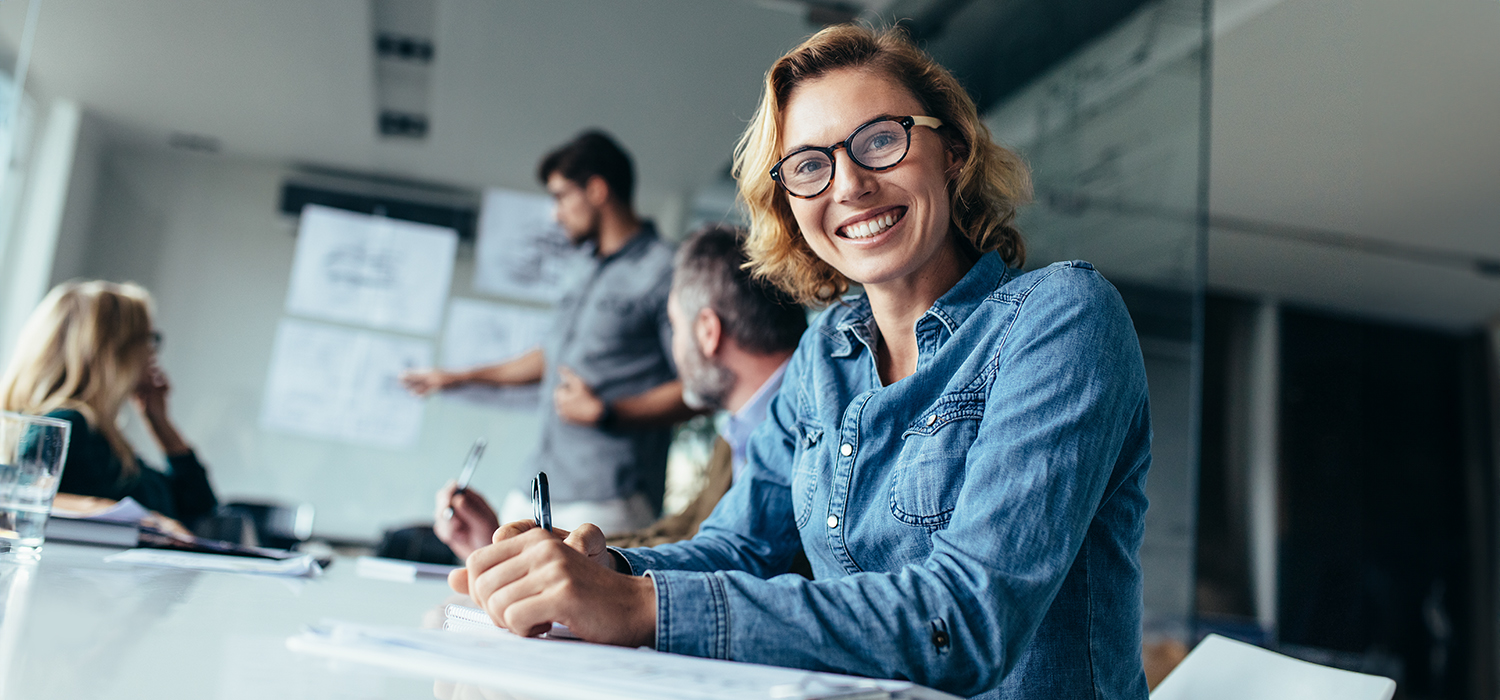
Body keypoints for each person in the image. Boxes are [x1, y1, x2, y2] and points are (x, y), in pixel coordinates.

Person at [450, 25, 1153, 700]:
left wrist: (640, 605)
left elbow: (966, 620)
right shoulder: (826, 350)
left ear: (955, 152)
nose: (849, 186)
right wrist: (602, 568)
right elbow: (743, 545)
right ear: (789, 202)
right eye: (811, 166)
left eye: (882, 140)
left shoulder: (1062, 316)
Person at [434, 225, 807, 559]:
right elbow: (684, 537)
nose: (673, 355)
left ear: (708, 332)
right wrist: (519, 552)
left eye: (675, 327)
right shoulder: (737, 436)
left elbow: (720, 564)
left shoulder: (808, 432)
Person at [403, 131, 696, 534]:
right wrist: (459, 377)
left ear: (596, 190)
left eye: (561, 197)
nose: (556, 214)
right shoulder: (581, 268)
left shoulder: (667, 270)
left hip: (607, 499)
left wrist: (609, 414)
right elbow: (554, 354)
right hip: (535, 485)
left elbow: (700, 388)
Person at [0, 281, 218, 526]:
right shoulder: (68, 425)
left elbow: (199, 505)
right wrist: (142, 520)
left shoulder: (101, 436)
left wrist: (159, 422)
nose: (152, 353)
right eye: (147, 339)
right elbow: (19, 498)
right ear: (113, 350)